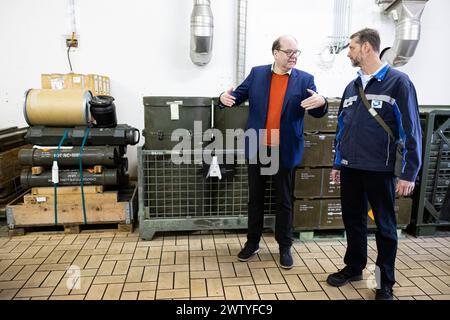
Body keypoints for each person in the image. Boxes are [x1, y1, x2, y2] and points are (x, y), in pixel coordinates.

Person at [326, 28, 422, 300]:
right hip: (351, 167)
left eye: (352, 47)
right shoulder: (351, 86)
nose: (348, 52)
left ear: (367, 47)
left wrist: (408, 173)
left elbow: (411, 130)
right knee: (353, 221)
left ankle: (383, 282)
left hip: (380, 171)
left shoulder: (399, 83)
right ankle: (354, 267)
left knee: (385, 228)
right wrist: (337, 163)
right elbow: (342, 128)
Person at [218, 35, 328, 269]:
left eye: (297, 52)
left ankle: (284, 246)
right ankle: (252, 243)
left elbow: (317, 110)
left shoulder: (305, 79)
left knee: (284, 201)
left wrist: (322, 102)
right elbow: (235, 97)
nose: (294, 56)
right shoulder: (258, 74)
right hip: (258, 147)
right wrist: (222, 98)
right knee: (255, 199)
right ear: (275, 53)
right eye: (289, 52)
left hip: (284, 148)